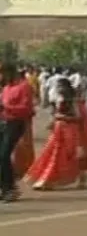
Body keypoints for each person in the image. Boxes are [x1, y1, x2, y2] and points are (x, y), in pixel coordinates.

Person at [26, 79, 85, 191]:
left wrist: (62, 118)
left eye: (60, 87)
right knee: (51, 153)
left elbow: (78, 117)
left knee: (68, 155)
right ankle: (47, 180)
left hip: (69, 130)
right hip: (59, 129)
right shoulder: (59, 100)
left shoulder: (73, 102)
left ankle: (75, 179)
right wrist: (54, 121)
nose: (58, 89)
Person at [1, 64, 35, 202]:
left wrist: (6, 107)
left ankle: (10, 189)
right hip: (3, 122)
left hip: (15, 123)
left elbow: (26, 108)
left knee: (3, 155)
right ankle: (5, 187)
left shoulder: (24, 87)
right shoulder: (6, 88)